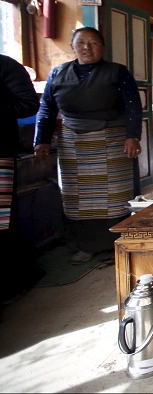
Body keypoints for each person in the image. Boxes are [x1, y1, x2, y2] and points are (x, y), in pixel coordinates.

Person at [34, 27, 143, 265]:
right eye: (81, 43)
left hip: (112, 139)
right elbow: (47, 109)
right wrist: (41, 139)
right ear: (73, 47)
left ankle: (116, 244)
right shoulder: (58, 73)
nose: (87, 47)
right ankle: (84, 245)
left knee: (114, 197)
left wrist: (132, 135)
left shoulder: (117, 72)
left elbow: (132, 105)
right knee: (77, 197)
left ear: (102, 48)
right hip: (73, 141)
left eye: (93, 43)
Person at [0, 54, 44, 304]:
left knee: (2, 221)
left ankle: (14, 280)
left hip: (0, 153)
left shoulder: (6, 66)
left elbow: (29, 104)